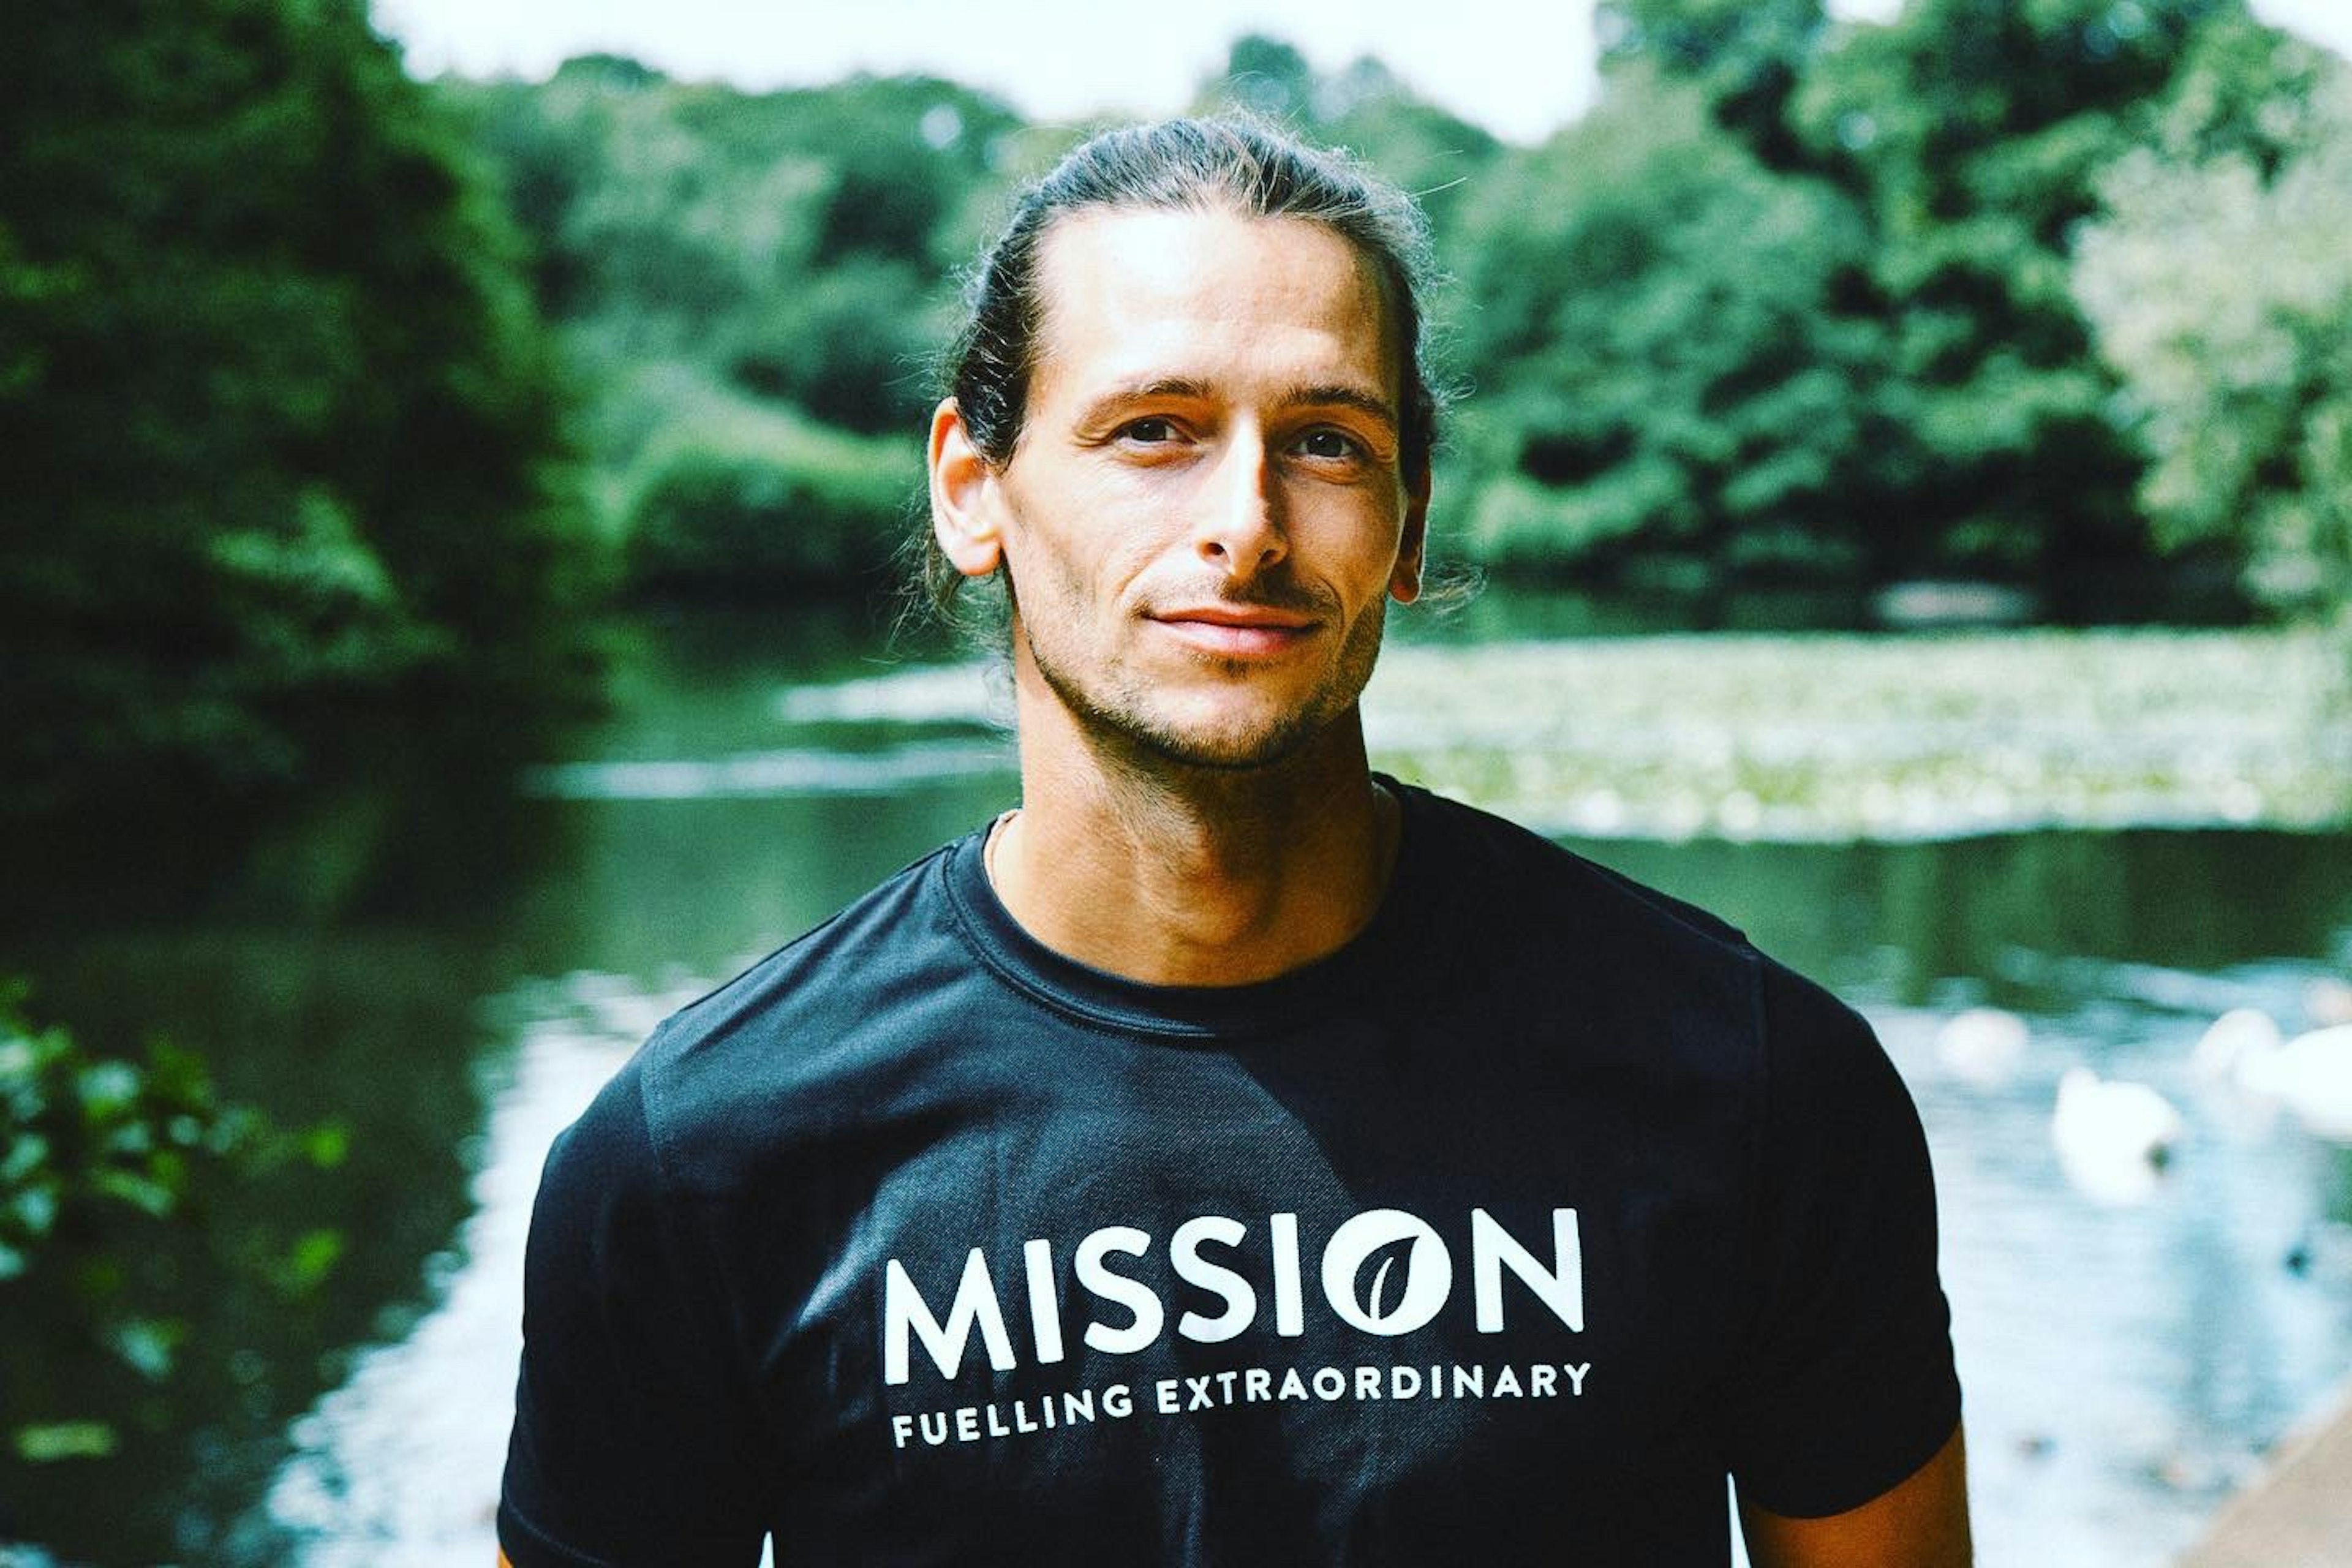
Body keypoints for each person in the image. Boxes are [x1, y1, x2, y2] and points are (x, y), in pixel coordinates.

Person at [496, 116, 1970, 1567]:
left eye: (1327, 440)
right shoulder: (700, 1155)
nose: (1246, 521)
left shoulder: (1754, 1084)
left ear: (1407, 518)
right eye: (1156, 430)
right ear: (972, 486)